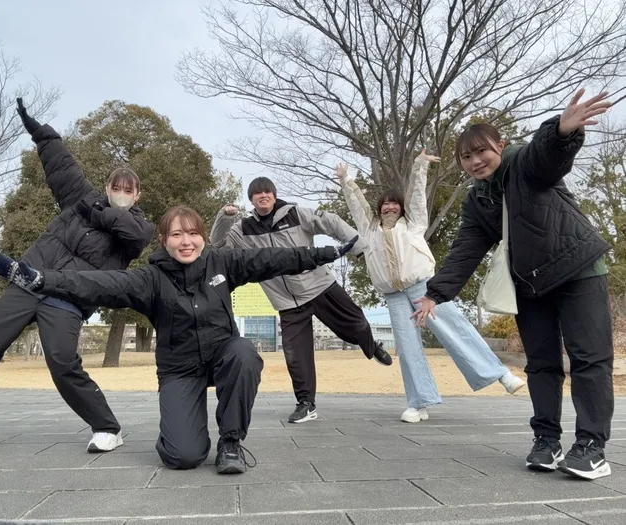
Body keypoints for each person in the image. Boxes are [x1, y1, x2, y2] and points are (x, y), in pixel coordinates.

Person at [0, 206, 359, 474]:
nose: (187, 241)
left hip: (223, 355)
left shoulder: (222, 263)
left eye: (193, 233)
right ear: (165, 241)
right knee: (182, 458)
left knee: (245, 353)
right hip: (180, 369)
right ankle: (183, 431)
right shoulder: (149, 278)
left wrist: (322, 253)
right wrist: (40, 280)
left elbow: (272, 259)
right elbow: (96, 282)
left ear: (202, 236)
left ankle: (231, 442)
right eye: (177, 234)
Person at [412, 89, 614, 480]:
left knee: (589, 360)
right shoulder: (478, 200)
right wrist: (435, 294)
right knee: (540, 364)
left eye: (481, 151)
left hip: (578, 271)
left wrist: (560, 131)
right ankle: (546, 441)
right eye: (465, 157)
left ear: (500, 146)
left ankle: (591, 446)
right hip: (531, 285)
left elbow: (547, 155)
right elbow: (465, 251)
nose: (474, 161)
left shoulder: (524, 162)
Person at [0, 98, 155, 454]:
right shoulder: (80, 198)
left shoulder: (138, 226)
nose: (121, 193)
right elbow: (60, 163)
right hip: (28, 281)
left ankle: (107, 427)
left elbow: (130, 232)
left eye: (128, 190)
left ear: (137, 195)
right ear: (107, 186)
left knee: (62, 362)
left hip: (68, 298)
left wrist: (95, 208)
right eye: (116, 187)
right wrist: (39, 130)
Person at [336, 152, 526, 423]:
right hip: (394, 296)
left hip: (424, 288)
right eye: (385, 204)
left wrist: (419, 166)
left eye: (394, 204)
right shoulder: (369, 230)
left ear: (400, 208)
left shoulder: (414, 224)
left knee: (455, 330)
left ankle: (501, 374)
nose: (390, 207)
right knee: (409, 349)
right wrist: (346, 181)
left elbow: (415, 197)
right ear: (378, 209)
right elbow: (357, 207)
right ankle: (418, 402)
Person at [210, 180, 393, 424]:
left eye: (267, 192)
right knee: (296, 356)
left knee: (357, 324)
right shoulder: (243, 229)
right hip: (286, 301)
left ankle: (371, 345)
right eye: (257, 193)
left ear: (274, 196)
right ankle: (306, 403)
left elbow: (330, 221)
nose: (263, 196)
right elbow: (219, 246)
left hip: (319, 286)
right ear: (251, 199)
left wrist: (357, 246)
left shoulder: (296, 214)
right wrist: (224, 217)